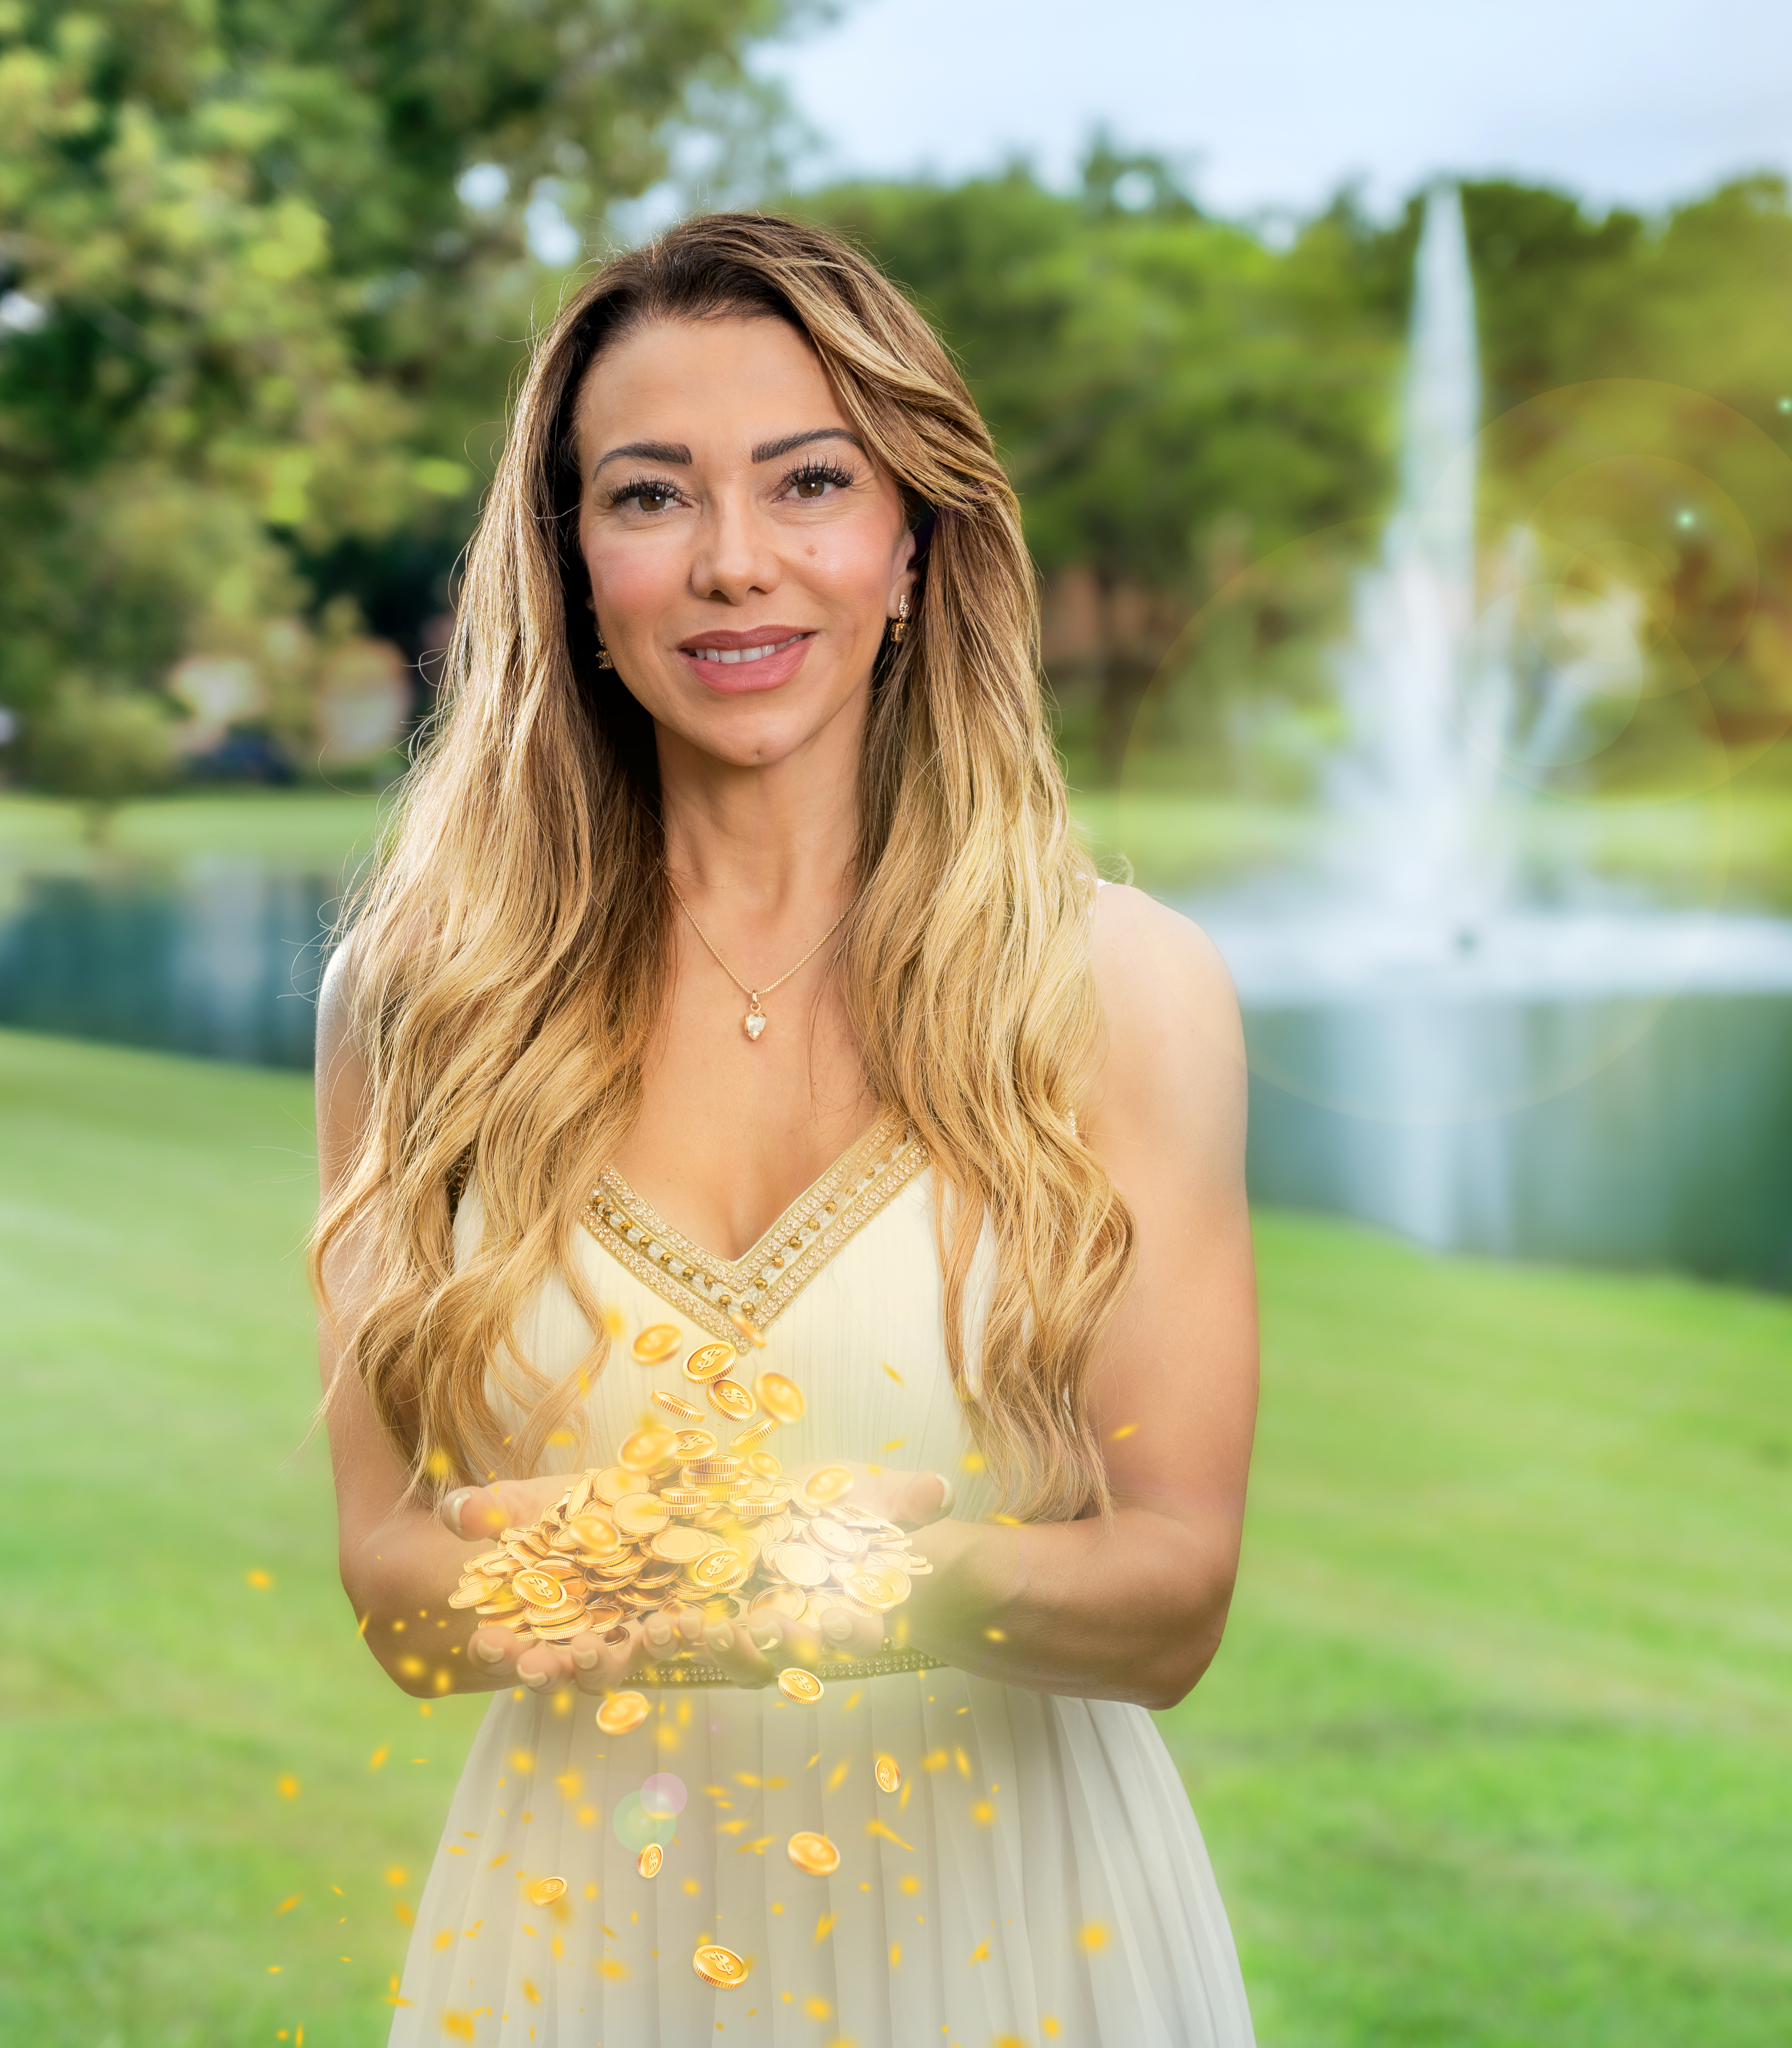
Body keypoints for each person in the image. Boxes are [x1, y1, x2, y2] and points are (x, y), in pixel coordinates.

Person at [311, 212, 1259, 2046]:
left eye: (808, 482)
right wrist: (680, 1570)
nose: (736, 565)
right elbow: (401, 1598)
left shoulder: (1121, 991)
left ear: (912, 538)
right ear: (574, 562)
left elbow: (1170, 1603)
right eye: (651, 498)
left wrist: (828, 1577)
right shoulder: (423, 1006)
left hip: (1029, 1963)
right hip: (581, 1957)